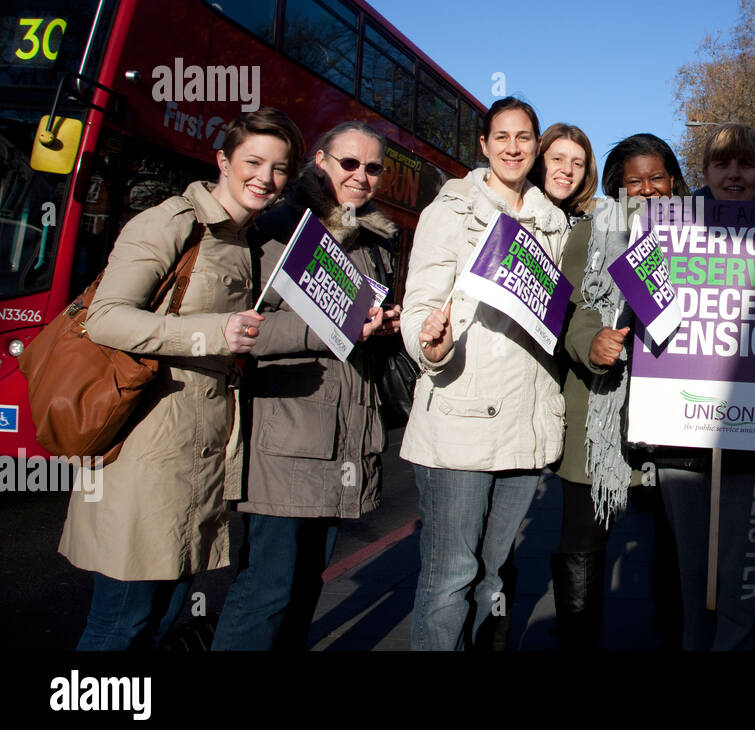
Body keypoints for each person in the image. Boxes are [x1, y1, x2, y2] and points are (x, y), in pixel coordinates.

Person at [59, 108, 304, 650]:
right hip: (147, 452)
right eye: (254, 162)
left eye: (280, 168)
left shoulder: (244, 239)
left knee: (161, 620)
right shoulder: (171, 221)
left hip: (201, 458)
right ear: (223, 161)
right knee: (120, 623)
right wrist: (215, 332)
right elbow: (104, 317)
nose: (265, 177)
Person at [211, 121, 399, 651]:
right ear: (320, 161)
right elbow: (242, 331)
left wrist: (383, 326)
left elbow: (356, 338)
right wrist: (335, 329)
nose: (361, 177)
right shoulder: (277, 230)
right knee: (265, 591)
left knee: (303, 589)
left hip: (345, 439)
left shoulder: (375, 242)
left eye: (373, 168)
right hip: (286, 440)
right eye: (349, 163)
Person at [400, 97, 568, 651]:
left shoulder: (555, 222)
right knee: (449, 579)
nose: (514, 148)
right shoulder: (448, 211)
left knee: (492, 579)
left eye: (524, 137)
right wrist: (431, 343)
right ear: (483, 145)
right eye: (502, 137)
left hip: (524, 428)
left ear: (536, 145)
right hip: (459, 418)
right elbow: (422, 303)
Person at [653, 125, 755, 649]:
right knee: (693, 586)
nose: (734, 175)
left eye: (746, 164)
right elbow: (640, 309)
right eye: (722, 164)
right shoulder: (671, 229)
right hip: (684, 444)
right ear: (704, 173)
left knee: (746, 593)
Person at [532, 123, 640, 650]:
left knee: (671, 551)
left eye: (658, 180)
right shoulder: (595, 230)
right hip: (594, 410)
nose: (645, 190)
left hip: (670, 422)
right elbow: (569, 306)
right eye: (634, 181)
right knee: (583, 541)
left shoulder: (692, 237)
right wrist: (593, 342)